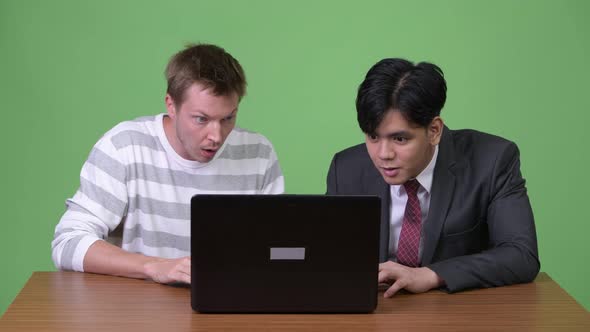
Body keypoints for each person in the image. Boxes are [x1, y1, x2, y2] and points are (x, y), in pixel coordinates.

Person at [52, 44, 284, 284]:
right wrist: (154, 267)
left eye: (228, 118)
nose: (216, 135)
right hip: (136, 311)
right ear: (171, 105)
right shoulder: (124, 146)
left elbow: (277, 251)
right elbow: (67, 243)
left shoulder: (258, 153)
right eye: (201, 119)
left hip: (226, 309)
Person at [326, 58, 539, 297]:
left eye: (400, 139)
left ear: (434, 130)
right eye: (373, 137)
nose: (383, 154)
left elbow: (521, 255)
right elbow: (330, 256)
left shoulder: (492, 160)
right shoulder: (345, 169)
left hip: (460, 313)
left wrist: (430, 274)